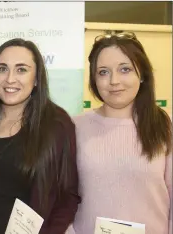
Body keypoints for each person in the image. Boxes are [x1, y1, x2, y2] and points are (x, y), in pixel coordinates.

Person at [0, 38, 80, 234]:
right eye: (2, 69)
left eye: (21, 69)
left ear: (36, 79)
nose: (10, 79)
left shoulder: (56, 124)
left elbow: (68, 197)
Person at [72, 32, 172, 234]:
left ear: (142, 74)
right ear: (93, 79)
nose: (114, 81)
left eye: (124, 69)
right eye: (103, 72)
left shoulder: (165, 125)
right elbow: (59, 197)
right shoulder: (74, 127)